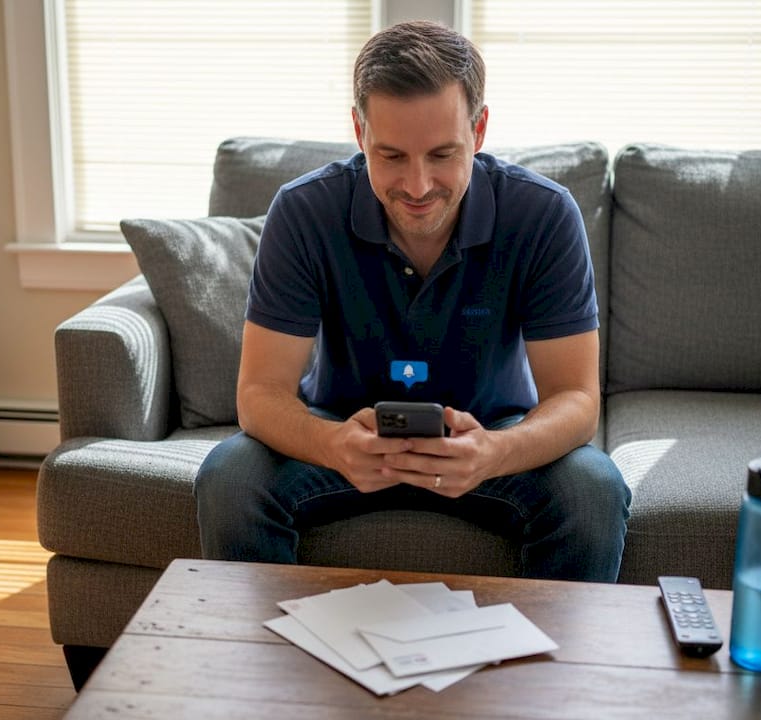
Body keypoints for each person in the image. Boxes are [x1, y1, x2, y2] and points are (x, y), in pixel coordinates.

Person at [194, 20, 630, 582]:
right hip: (339, 431)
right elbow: (259, 394)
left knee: (593, 489)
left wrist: (495, 452)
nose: (418, 186)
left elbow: (576, 399)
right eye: (392, 156)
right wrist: (333, 443)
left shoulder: (544, 214)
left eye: (443, 154)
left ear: (479, 129)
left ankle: (540, 647)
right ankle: (275, 644)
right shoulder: (304, 211)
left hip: (495, 432)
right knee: (231, 477)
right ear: (359, 132)